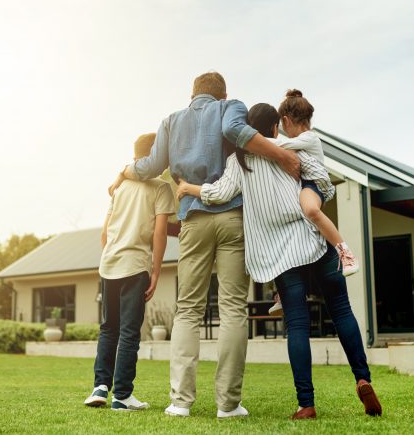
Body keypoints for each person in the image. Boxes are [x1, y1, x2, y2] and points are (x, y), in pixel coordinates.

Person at [108, 72, 300, 418]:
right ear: (223, 93)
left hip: (193, 220)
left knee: (188, 310)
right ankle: (228, 404)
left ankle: (180, 402)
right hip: (231, 220)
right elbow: (236, 132)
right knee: (232, 309)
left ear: (192, 94)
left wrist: (126, 169)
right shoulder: (230, 107)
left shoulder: (171, 121)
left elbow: (151, 166)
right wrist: (283, 156)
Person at [177, 103, 382, 420]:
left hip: (280, 256)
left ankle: (306, 404)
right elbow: (320, 180)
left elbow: (219, 193)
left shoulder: (238, 160)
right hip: (312, 240)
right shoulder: (288, 149)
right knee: (341, 309)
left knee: (297, 325)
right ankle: (362, 378)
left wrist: (188, 188)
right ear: (275, 127)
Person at [85, 133, 175, 411]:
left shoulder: (119, 187)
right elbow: (160, 232)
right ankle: (122, 395)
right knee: (128, 332)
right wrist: (156, 270)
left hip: (109, 264)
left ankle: (100, 387)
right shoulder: (161, 188)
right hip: (135, 266)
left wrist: (110, 253)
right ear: (155, 157)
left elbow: (104, 232)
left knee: (108, 328)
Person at [268, 89, 360, 317]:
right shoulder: (302, 139)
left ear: (286, 121)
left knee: (310, 210)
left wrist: (254, 139)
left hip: (314, 186)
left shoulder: (309, 137)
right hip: (303, 187)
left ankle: (345, 252)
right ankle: (280, 291)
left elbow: (279, 147)